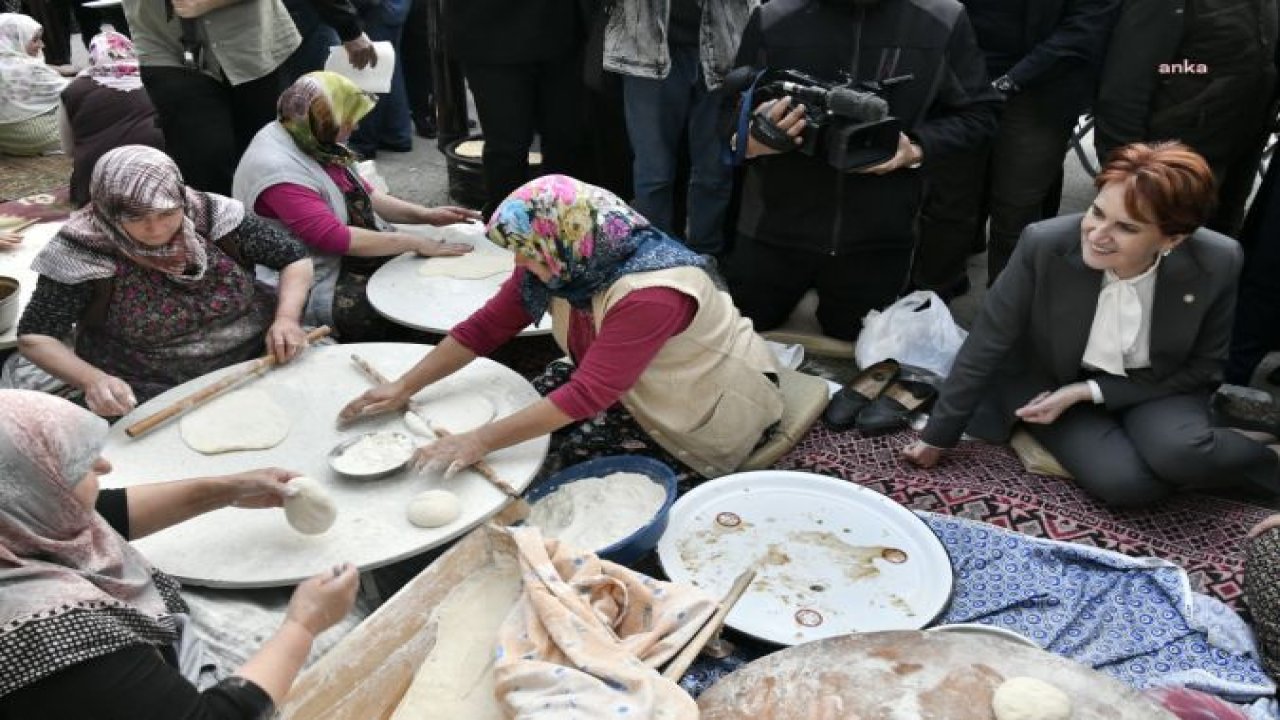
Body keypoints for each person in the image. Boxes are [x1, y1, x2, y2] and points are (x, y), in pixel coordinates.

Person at [903, 142, 1280, 507]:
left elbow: (1205, 367)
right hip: (1055, 387)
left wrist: (1090, 391)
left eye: (1127, 228)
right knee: (1127, 485)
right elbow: (988, 342)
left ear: (1173, 239)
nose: (1097, 235)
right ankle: (1198, 447)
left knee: (1177, 454)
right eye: (1097, 212)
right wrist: (939, 434)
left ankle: (1262, 454)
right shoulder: (1044, 244)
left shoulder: (1219, 260)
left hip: (1157, 386)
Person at [338, 174, 784, 480]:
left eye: (525, 251)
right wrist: (403, 386)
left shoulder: (652, 292)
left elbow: (589, 393)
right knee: (526, 409)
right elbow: (486, 328)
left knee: (550, 465)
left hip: (700, 403)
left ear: (567, 234)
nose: (519, 262)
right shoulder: (564, 258)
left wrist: (478, 441)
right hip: (628, 381)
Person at [0, 389, 359, 718]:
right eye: (74, 463)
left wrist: (228, 490)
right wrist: (303, 624)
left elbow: (108, 511)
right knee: (344, 644)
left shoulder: (15, 526)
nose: (104, 467)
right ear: (26, 493)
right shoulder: (51, 641)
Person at [724, 0, 1002, 341]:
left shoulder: (941, 19)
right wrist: (750, 139)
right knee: (746, 342)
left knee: (859, 359)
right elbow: (726, 112)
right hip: (772, 232)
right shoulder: (775, 17)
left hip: (877, 240)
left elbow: (980, 113)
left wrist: (916, 147)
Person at [16, 145, 314, 417]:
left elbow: (294, 258)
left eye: (167, 213)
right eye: (136, 217)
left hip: (259, 355)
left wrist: (287, 319)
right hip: (151, 386)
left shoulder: (211, 214)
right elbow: (36, 338)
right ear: (107, 208)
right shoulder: (83, 251)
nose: (155, 228)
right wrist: (94, 381)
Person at [233, 71, 478, 342]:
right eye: (349, 121)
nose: (356, 127)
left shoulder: (310, 136)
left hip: (349, 254)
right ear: (324, 121)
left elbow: (365, 193)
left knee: (432, 272)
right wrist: (414, 242)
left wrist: (427, 216)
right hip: (316, 275)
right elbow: (334, 238)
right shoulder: (276, 168)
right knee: (409, 301)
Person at [914, 0, 1121, 293]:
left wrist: (1012, 80)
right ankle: (932, 296)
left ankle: (1006, 306)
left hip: (1041, 89)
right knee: (948, 200)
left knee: (1016, 209)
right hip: (961, 79)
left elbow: (1083, 30)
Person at [1092, 0, 1278, 237]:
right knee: (1157, 255)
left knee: (1215, 247)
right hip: (1174, 158)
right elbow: (1124, 86)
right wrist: (1124, 172)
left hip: (1240, 146)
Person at [603, 0, 756, 257]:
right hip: (645, 48)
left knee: (715, 171)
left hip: (726, 44)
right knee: (654, 172)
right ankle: (653, 259)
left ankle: (706, 256)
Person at [119, 0, 302, 195]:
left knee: (268, 160)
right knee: (206, 163)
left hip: (254, 44)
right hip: (166, 46)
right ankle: (219, 222)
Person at [444, 0, 589, 216]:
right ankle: (508, 230)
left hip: (561, 32)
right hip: (490, 34)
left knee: (565, 140)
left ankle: (562, 226)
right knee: (507, 147)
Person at [58, 30, 165, 207]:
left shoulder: (73, 89)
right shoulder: (155, 79)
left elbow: (68, 148)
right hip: (156, 177)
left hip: (94, 184)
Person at [0, 13, 66, 156]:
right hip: (37, 137)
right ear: (16, 39)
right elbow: (72, 92)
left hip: (4, 140)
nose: (42, 45)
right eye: (35, 40)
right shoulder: (29, 68)